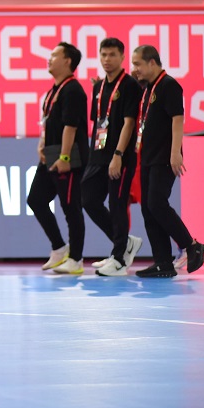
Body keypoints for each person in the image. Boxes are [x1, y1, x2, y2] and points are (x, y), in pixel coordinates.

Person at [130, 45, 204, 278]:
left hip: (164, 156)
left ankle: (191, 245)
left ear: (152, 62)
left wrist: (175, 152)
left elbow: (177, 119)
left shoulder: (169, 85)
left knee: (157, 203)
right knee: (148, 208)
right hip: (148, 156)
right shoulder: (148, 87)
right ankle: (162, 261)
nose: (135, 69)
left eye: (138, 64)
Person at [78, 38, 145, 277]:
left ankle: (119, 259)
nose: (107, 59)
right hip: (98, 155)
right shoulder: (98, 86)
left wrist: (118, 154)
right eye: (104, 55)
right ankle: (125, 242)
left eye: (112, 55)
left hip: (120, 157)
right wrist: (93, 155)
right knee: (88, 199)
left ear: (122, 57)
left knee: (117, 205)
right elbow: (99, 122)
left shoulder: (130, 86)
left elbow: (129, 123)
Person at [26, 43, 89, 275]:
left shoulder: (73, 91)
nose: (49, 59)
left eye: (54, 55)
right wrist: (41, 143)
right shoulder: (54, 90)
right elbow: (48, 122)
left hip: (68, 158)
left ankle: (76, 258)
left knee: (71, 207)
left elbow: (70, 127)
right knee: (36, 199)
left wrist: (64, 156)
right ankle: (59, 247)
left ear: (68, 61)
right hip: (50, 154)